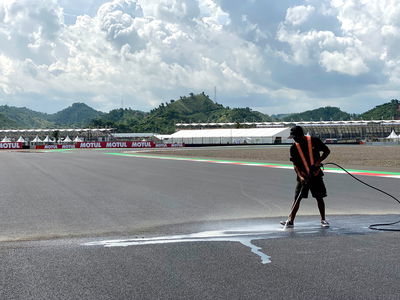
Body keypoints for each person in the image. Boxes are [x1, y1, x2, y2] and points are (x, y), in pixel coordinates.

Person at [281, 126, 331, 228]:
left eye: (296, 137)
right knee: (297, 199)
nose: (294, 139)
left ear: (301, 135)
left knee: (319, 197)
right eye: (293, 137)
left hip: (316, 175)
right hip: (303, 177)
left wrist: (318, 161)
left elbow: (327, 151)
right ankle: (290, 221)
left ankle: (323, 220)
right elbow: (295, 165)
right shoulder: (293, 147)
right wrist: (301, 176)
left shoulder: (314, 141)